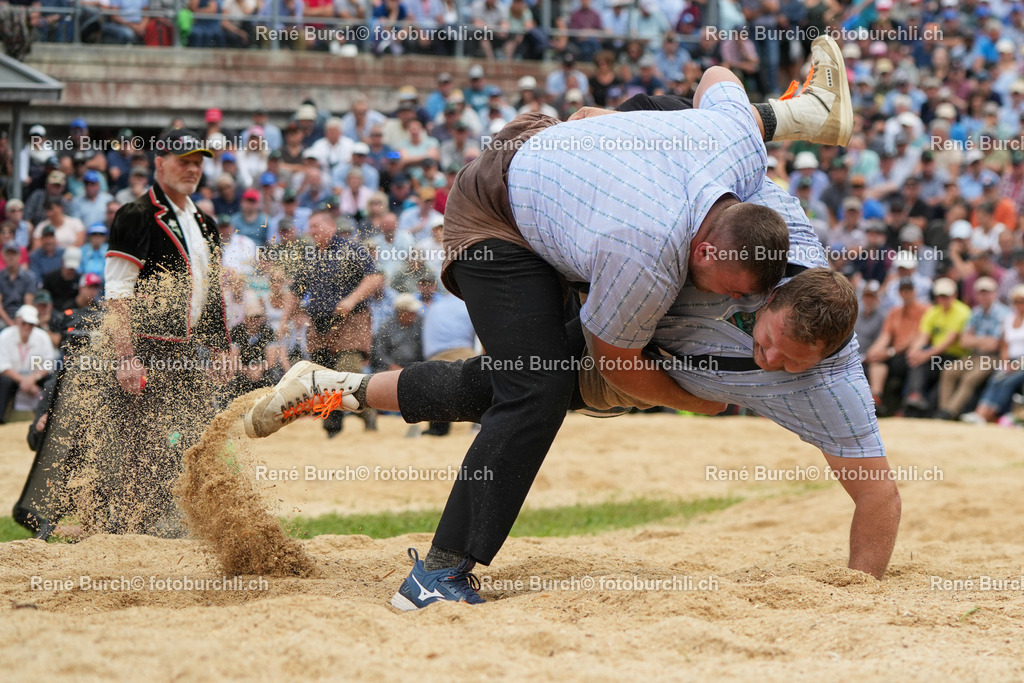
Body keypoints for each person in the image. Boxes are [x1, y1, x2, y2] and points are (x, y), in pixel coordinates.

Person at [247, 38, 857, 608]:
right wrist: (695, 404)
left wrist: (787, 118)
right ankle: (437, 575)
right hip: (497, 215)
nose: (728, 308)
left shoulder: (738, 151)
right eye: (723, 293)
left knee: (510, 380)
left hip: (561, 163)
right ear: (705, 252)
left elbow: (718, 76)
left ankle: (334, 387)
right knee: (534, 388)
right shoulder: (644, 255)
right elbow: (617, 360)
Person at [69, 129, 232, 537]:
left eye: (198, 162)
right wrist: (126, 355)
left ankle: (171, 522)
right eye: (184, 161)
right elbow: (119, 294)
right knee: (138, 441)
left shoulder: (205, 223)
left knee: (190, 436)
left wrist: (221, 346)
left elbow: (210, 292)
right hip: (141, 348)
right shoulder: (135, 215)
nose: (192, 169)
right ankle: (122, 527)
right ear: (159, 164)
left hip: (184, 352)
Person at [935, 277, 1010, 419]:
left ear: (995, 293)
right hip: (974, 355)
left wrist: (974, 340)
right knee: (948, 372)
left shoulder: (1003, 313)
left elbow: (994, 344)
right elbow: (964, 341)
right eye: (981, 293)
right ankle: (943, 410)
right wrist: (982, 341)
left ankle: (950, 412)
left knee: (970, 378)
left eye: (987, 292)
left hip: (992, 357)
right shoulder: (975, 312)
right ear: (976, 295)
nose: (984, 296)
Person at [960, 285, 1024, 424]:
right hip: (1009, 361)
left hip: (1022, 363)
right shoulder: (1010, 319)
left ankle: (989, 415)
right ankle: (980, 413)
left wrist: (1017, 364)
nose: (1020, 305)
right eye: (1017, 301)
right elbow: (1004, 345)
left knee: (1007, 382)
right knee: (995, 379)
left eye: (1022, 301)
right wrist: (1006, 362)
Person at [0, 305, 55, 422]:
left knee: (51, 382)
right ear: (17, 321)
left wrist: (33, 378)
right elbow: (2, 366)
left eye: (30, 324)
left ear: (35, 324)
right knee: (4, 381)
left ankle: (48, 420)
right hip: (13, 378)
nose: (27, 327)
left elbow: (49, 363)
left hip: (35, 378)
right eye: (24, 323)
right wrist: (24, 381)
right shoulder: (5, 336)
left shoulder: (42, 337)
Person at [1, 241, 38, 329]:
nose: (11, 257)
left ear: (19, 256)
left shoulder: (29, 277)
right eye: (8, 254)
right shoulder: (0, 277)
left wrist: (21, 321)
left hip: (24, 314)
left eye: (13, 254)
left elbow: (28, 304)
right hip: (4, 316)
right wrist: (9, 322)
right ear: (3, 256)